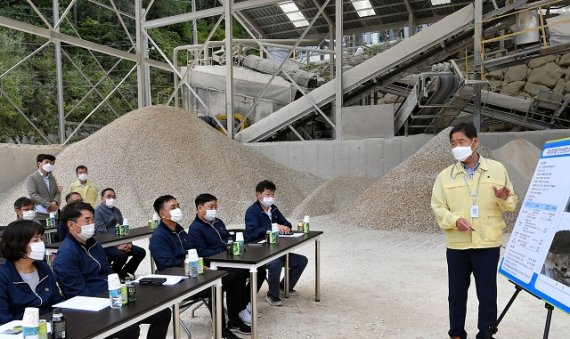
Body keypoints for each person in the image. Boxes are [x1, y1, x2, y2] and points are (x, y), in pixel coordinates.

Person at [431, 123, 518, 339]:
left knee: (487, 294)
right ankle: (456, 334)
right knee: (456, 295)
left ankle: (486, 334)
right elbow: (438, 206)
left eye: (461, 142)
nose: (456, 147)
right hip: (457, 245)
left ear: (475, 142)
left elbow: (512, 203)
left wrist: (503, 197)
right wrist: (454, 220)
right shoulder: (445, 176)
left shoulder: (497, 169)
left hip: (487, 243)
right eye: (453, 143)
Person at [53, 202, 170, 339]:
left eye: (92, 219)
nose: (92, 224)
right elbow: (77, 295)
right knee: (129, 329)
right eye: (87, 220)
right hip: (93, 309)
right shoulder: (66, 255)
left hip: (113, 299)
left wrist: (121, 290)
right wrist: (109, 301)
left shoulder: (93, 244)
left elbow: (108, 272)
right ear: (71, 225)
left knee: (163, 313)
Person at [150, 195, 246, 339]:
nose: (178, 209)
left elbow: (192, 252)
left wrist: (200, 265)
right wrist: (196, 266)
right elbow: (167, 266)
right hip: (178, 282)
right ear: (162, 214)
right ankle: (221, 331)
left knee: (234, 274)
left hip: (194, 273)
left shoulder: (180, 230)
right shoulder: (159, 237)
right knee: (217, 284)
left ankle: (235, 320)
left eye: (178, 205)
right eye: (173, 207)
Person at [188, 193, 263, 331]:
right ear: (199, 209)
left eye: (216, 207)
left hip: (228, 259)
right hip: (211, 265)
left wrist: (231, 246)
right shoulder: (195, 229)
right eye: (211, 207)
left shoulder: (218, 222)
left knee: (259, 269)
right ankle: (234, 319)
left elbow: (227, 238)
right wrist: (224, 249)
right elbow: (202, 252)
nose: (214, 210)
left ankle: (243, 307)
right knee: (236, 275)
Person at [245, 180, 308, 306]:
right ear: (258, 195)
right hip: (258, 251)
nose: (271, 198)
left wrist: (285, 227)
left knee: (301, 261)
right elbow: (253, 233)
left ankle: (283, 286)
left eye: (273, 195)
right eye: (268, 195)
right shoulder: (252, 212)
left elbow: (287, 223)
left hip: (275, 248)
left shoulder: (273, 209)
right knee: (275, 263)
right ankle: (272, 295)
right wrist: (273, 226)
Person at [0, 220, 63, 324]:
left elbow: (56, 302)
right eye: (35, 240)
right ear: (18, 244)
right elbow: (4, 319)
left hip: (49, 324)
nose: (41, 244)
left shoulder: (43, 268)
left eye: (41, 239)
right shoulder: (3, 276)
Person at [94, 188, 146, 279]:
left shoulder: (117, 210)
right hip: (107, 245)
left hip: (121, 242)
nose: (111, 199)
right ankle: (113, 275)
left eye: (113, 197)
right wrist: (117, 246)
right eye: (108, 196)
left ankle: (126, 272)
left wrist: (128, 243)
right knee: (122, 255)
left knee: (141, 252)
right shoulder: (98, 212)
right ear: (102, 198)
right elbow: (101, 232)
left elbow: (124, 227)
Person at [25, 154, 60, 223]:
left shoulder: (51, 178)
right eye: (46, 162)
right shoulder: (32, 177)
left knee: (55, 232)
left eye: (50, 162)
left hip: (54, 214)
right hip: (40, 215)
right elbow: (33, 194)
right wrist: (48, 205)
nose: (49, 164)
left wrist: (55, 202)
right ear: (39, 163)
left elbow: (57, 192)